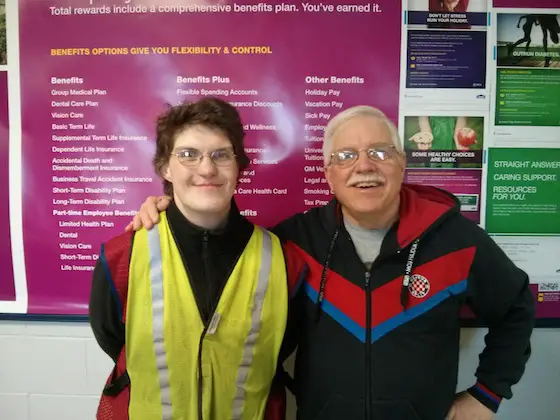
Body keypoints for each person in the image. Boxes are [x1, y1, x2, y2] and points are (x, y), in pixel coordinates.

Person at [128, 105, 535, 420]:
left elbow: (516, 306)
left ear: (401, 162)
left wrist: (488, 394)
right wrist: (169, 212)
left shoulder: (456, 240)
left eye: (380, 151)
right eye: (345, 155)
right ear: (328, 173)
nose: (364, 166)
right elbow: (221, 249)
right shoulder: (293, 241)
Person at [88, 97, 306, 420]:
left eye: (221, 154)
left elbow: (281, 348)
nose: (206, 168)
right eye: (188, 154)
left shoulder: (284, 262)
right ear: (165, 167)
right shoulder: (122, 257)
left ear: (238, 166)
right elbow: (114, 342)